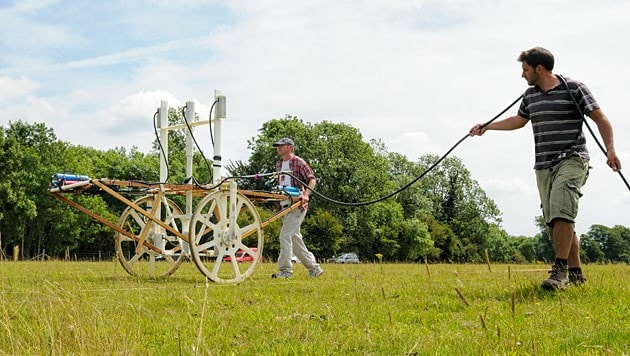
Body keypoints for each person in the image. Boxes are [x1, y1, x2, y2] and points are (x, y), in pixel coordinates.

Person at [469, 47, 622, 290]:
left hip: (573, 158)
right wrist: (488, 126)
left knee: (562, 210)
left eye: (525, 69)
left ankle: (559, 273)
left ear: (539, 69)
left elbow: (601, 119)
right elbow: (519, 121)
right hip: (543, 165)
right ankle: (575, 273)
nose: (522, 75)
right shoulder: (530, 96)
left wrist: (611, 150)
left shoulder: (574, 88)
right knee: (556, 221)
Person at [271, 137, 324, 279]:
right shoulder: (278, 164)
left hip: (297, 205)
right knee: (295, 240)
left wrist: (306, 194)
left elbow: (312, 179)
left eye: (281, 146)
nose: (278, 148)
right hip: (283, 205)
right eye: (278, 146)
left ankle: (285, 271)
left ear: (290, 147)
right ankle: (314, 269)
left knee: (284, 235)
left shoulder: (298, 162)